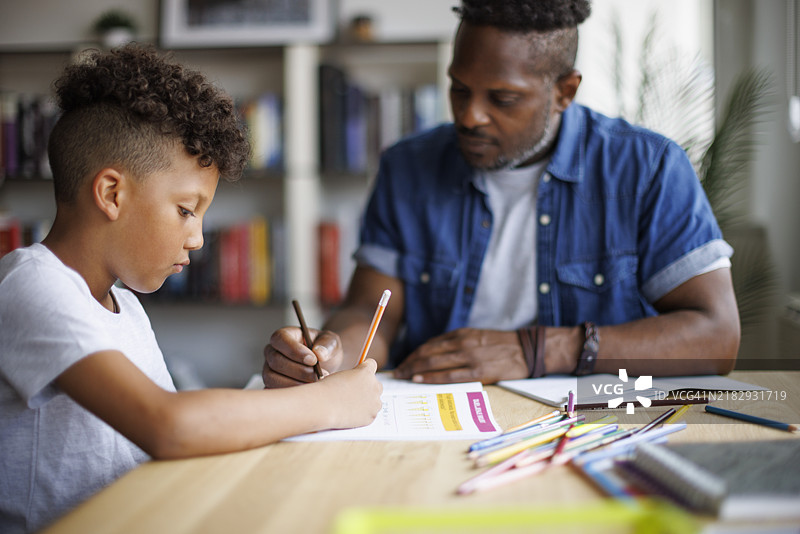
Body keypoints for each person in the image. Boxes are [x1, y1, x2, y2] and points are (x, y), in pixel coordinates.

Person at [0, 45, 382, 534]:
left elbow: (175, 434)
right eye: (186, 210)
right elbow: (169, 426)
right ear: (112, 193)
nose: (198, 238)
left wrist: (281, 391)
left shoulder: (126, 308)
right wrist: (327, 405)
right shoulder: (30, 284)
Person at [262, 0, 740, 388]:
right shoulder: (407, 166)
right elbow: (372, 310)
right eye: (459, 89)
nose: (470, 116)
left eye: (503, 99)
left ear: (564, 92)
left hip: (586, 424)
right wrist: (334, 353)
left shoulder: (647, 168)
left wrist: (537, 348)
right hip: (435, 411)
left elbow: (717, 336)